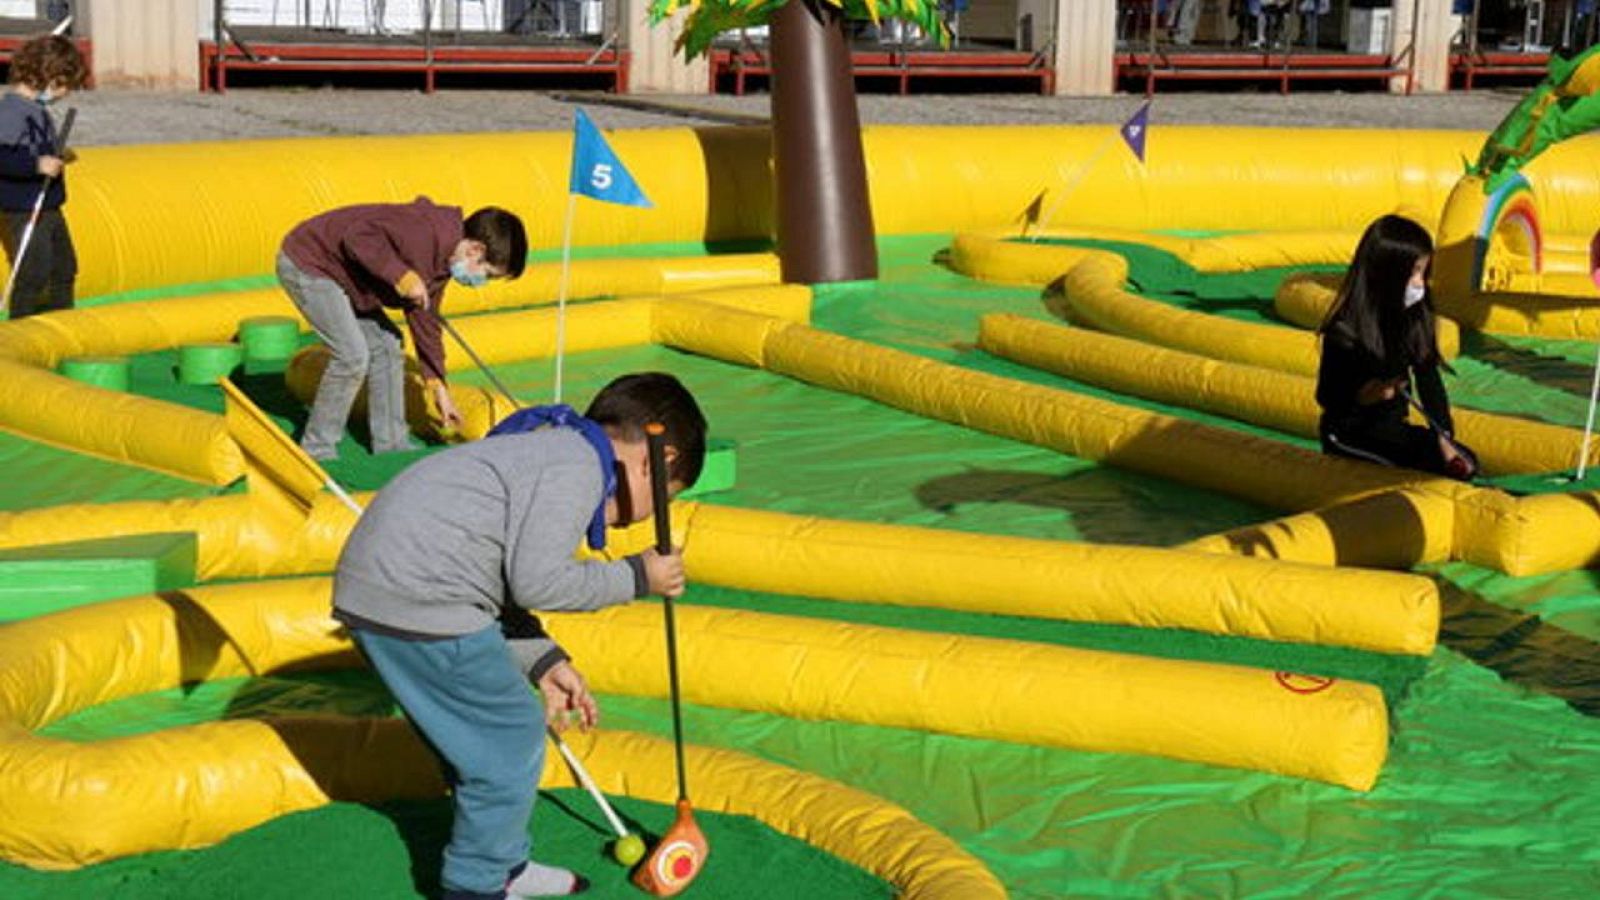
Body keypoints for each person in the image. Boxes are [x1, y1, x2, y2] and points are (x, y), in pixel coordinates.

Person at [334, 371, 706, 899]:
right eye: (666, 497)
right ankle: (476, 886)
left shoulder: (556, 448)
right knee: (510, 739)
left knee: (482, 746)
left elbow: (497, 577)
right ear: (657, 461)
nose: (648, 517)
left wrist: (543, 660)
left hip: (392, 591)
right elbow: (537, 581)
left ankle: (503, 864)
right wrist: (638, 576)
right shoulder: (578, 466)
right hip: (421, 597)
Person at [278, 198, 528, 460]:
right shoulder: (424, 230)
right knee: (352, 356)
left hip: (350, 282)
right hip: (311, 265)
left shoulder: (444, 262)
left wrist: (439, 389)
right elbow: (358, 237)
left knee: (388, 345)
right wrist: (402, 276)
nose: (481, 282)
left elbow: (426, 319)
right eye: (488, 274)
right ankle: (317, 448)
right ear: (476, 250)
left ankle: (391, 444)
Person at [1317, 214, 1477, 481]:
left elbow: (1428, 379)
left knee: (1466, 463)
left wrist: (1444, 436)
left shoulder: (1415, 317)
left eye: (1424, 273)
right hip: (1348, 435)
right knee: (1406, 475)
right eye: (1414, 273)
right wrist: (1366, 396)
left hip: (1391, 431)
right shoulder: (1346, 330)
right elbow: (1327, 396)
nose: (1419, 283)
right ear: (1386, 274)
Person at [0, 34, 88, 319]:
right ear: (48, 77)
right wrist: (36, 165)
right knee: (34, 271)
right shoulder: (11, 111)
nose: (64, 94)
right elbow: (3, 156)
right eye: (63, 85)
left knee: (65, 267)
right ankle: (22, 325)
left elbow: (36, 147)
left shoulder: (38, 110)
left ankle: (62, 323)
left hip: (49, 204)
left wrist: (56, 156)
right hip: (25, 207)